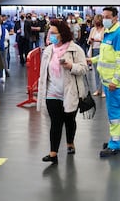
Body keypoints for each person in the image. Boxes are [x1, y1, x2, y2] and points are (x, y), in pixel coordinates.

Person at [37, 19, 88, 165]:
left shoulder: (75, 50)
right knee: (55, 123)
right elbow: (44, 73)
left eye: (53, 33)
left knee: (70, 120)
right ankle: (53, 153)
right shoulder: (48, 50)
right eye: (49, 33)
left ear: (62, 34)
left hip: (70, 92)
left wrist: (71, 66)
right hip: (52, 93)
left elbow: (84, 69)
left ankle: (70, 142)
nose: (50, 35)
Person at [88, 6, 120, 157]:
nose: (104, 19)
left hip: (113, 84)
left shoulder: (119, 35)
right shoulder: (108, 33)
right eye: (103, 16)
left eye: (107, 16)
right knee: (118, 113)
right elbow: (105, 57)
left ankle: (114, 144)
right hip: (107, 81)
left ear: (115, 18)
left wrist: (115, 81)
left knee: (114, 114)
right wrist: (91, 60)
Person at [88, 14, 105, 97]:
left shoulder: (105, 29)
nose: (97, 22)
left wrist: (98, 40)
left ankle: (104, 90)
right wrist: (91, 41)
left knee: (103, 71)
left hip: (102, 51)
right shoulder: (93, 29)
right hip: (94, 50)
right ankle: (98, 89)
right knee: (96, 72)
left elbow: (105, 41)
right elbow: (89, 40)